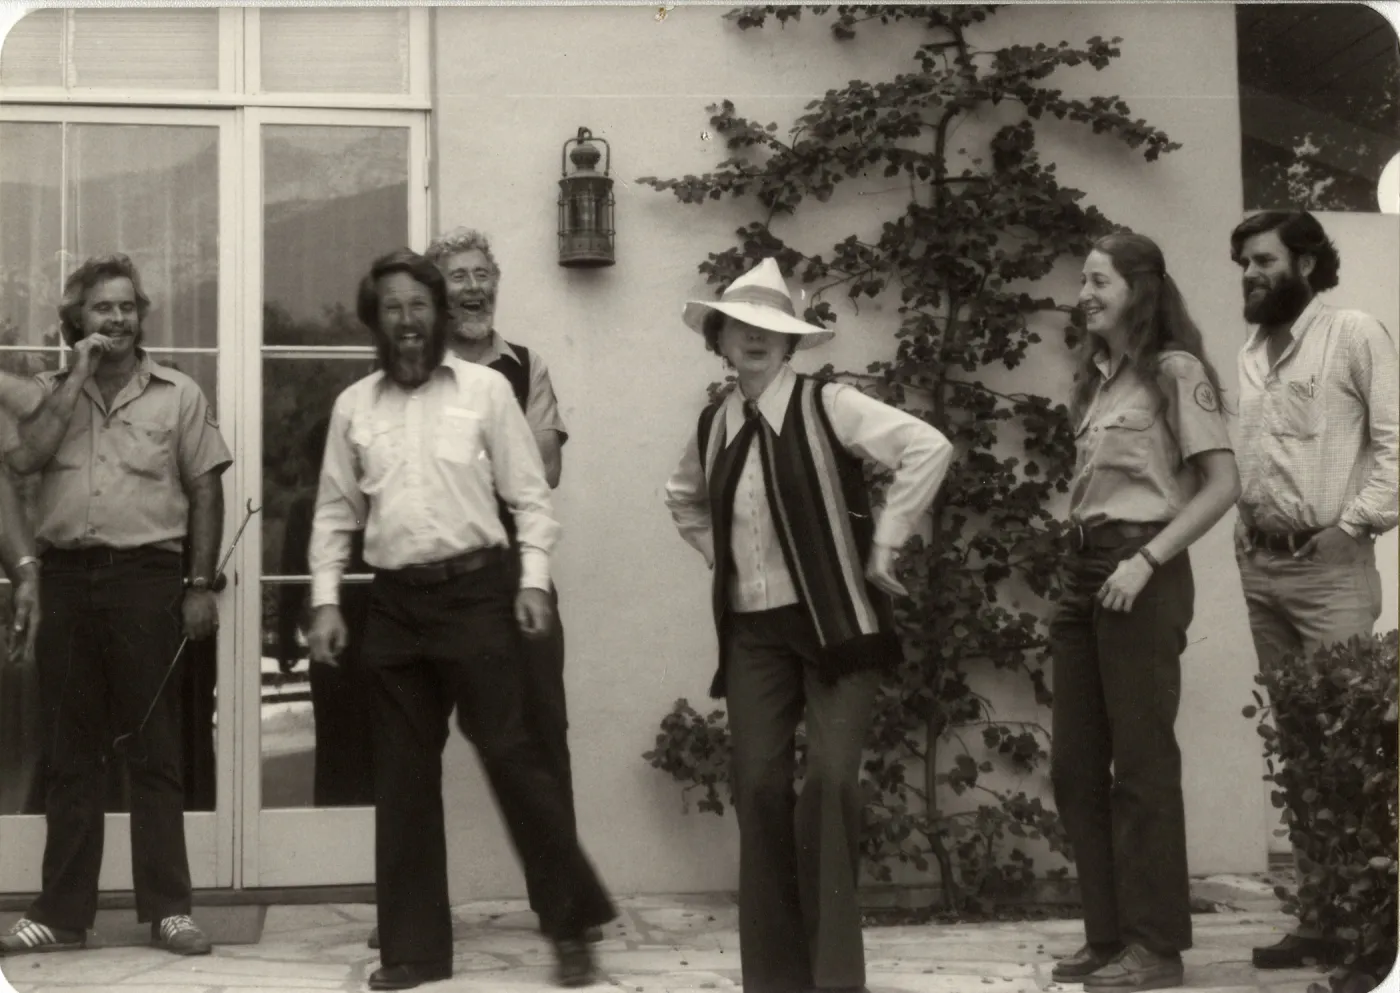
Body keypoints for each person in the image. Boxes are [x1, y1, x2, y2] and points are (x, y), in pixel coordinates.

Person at [306, 249, 614, 991]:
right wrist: (323, 599)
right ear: (375, 322)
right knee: (403, 779)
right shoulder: (354, 406)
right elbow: (334, 511)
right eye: (393, 308)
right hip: (395, 608)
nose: (407, 320)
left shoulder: (483, 392)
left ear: (439, 315)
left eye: (419, 305)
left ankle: (571, 924)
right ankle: (415, 950)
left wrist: (533, 581)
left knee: (515, 757)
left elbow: (532, 495)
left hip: (480, 595)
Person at [663, 257, 954, 993]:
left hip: (837, 628)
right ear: (720, 339)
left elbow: (929, 447)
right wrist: (719, 561)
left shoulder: (831, 404)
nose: (755, 338)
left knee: (827, 783)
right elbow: (683, 500)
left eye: (771, 328)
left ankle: (833, 980)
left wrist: (886, 540)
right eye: (740, 326)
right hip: (755, 634)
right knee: (757, 785)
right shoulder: (714, 423)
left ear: (790, 343)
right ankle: (775, 979)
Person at [0, 254, 231, 958]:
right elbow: (25, 461)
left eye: (128, 307)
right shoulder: (47, 395)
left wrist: (198, 585)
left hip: (146, 577)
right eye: (104, 308)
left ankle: (169, 909)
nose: (119, 319)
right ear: (78, 320)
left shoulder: (178, 394)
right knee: (71, 752)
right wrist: (74, 376)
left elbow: (207, 491)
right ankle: (64, 913)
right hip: (68, 578)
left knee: (153, 749)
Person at [1047, 233, 1239, 992]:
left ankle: (1155, 947)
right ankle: (1108, 937)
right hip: (1084, 570)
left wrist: (1147, 559)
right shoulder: (1097, 379)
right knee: (1075, 769)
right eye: (1083, 280)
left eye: (1096, 280)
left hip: (1142, 570)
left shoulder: (1174, 370)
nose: (1084, 293)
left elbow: (1221, 484)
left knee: (1143, 766)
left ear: (1139, 286)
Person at [1228, 211, 1398, 970]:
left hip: (1330, 571)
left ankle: (1375, 936)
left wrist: (1353, 525)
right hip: (1264, 571)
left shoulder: (1353, 332)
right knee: (1298, 751)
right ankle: (1322, 919)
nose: (1250, 275)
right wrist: (1243, 521)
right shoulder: (1251, 356)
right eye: (1243, 264)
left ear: (1305, 261)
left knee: (1351, 750)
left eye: (1262, 260)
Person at [420, 226, 587, 940]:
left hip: (516, 570)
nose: (473, 286)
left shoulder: (526, 365)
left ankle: (563, 903)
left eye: (482, 273)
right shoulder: (412, 368)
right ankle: (412, 910)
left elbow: (543, 471)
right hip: (428, 575)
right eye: (457, 275)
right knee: (414, 743)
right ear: (434, 290)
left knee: (542, 729)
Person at [278, 417, 376, 808]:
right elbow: (291, 575)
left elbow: (290, 578)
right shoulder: (310, 506)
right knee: (352, 738)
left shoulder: (317, 504)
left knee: (339, 740)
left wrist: (285, 635)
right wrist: (286, 635)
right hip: (346, 632)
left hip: (355, 634)